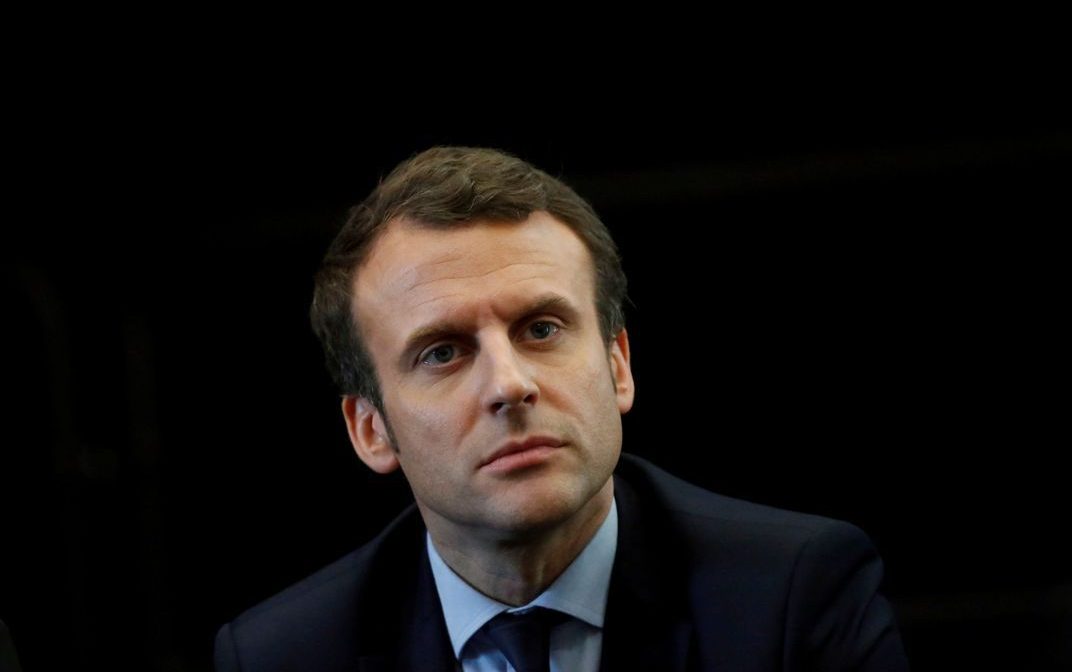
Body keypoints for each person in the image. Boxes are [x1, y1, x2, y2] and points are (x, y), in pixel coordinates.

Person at [214, 146, 909, 671]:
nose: (509, 384)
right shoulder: (283, 655)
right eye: (443, 352)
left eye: (541, 329)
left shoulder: (792, 595)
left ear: (617, 365)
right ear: (371, 429)